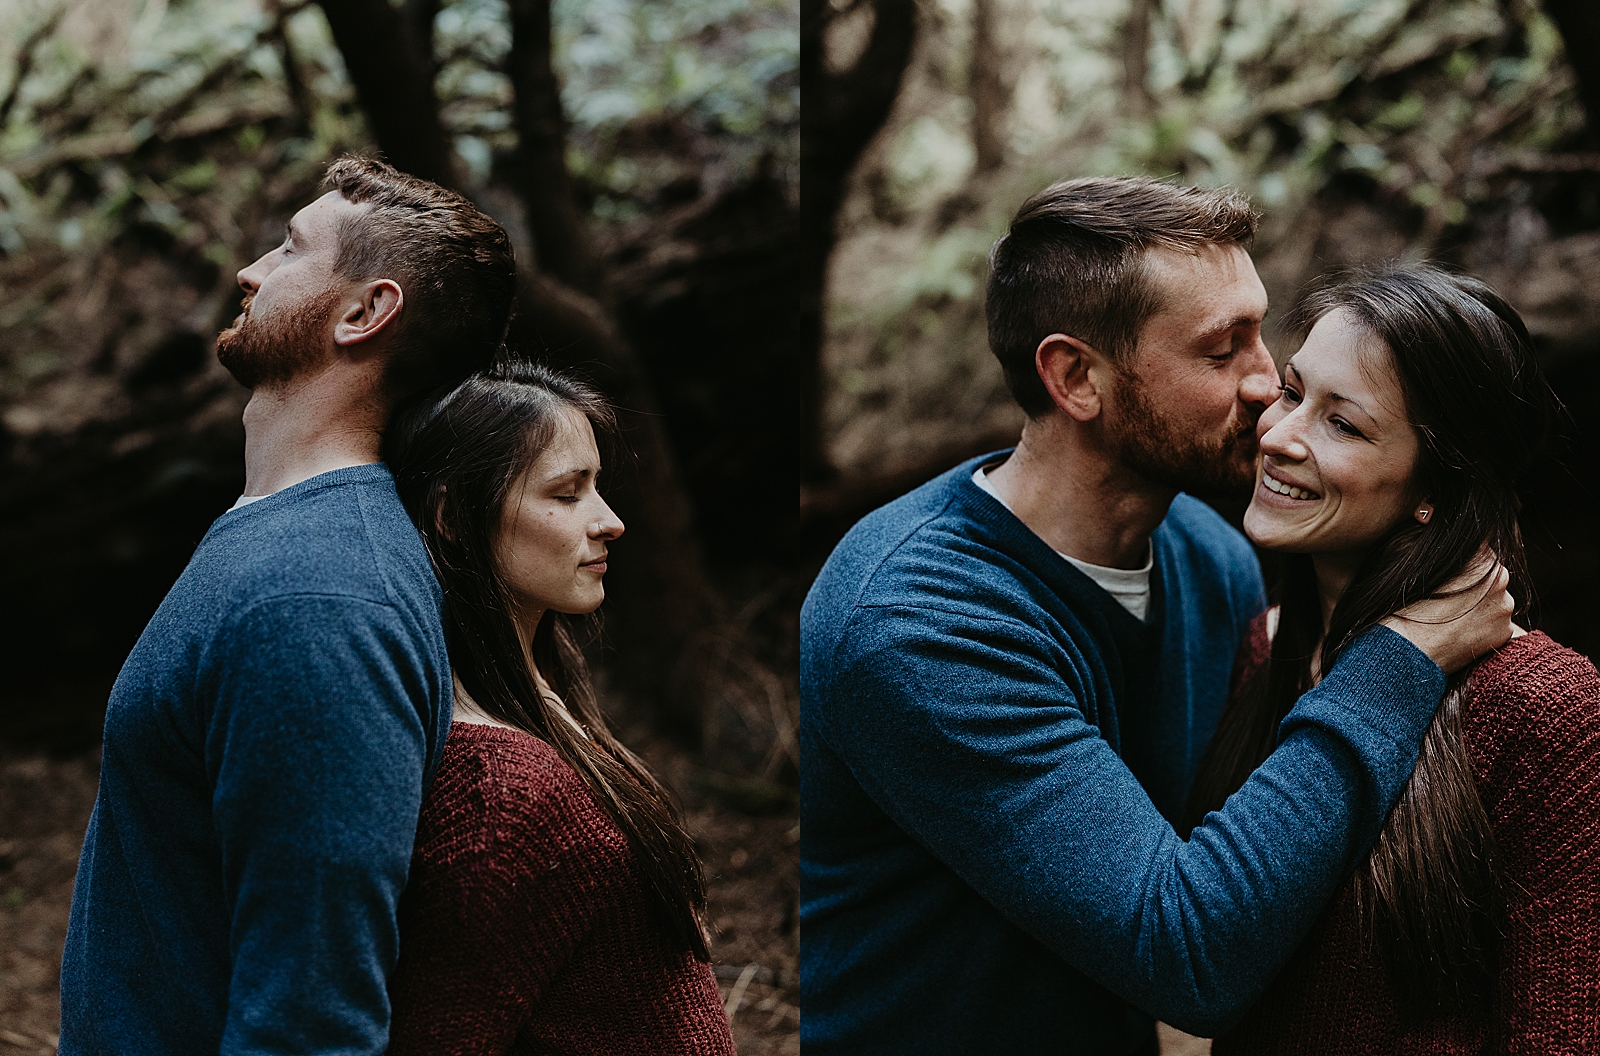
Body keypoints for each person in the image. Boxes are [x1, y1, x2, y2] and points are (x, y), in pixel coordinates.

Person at [799, 177, 1516, 1055]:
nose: (1267, 387)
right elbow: (1189, 954)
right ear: (1075, 378)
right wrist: (1398, 658)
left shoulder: (1211, 560)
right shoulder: (917, 621)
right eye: (1222, 352)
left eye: (1262, 333)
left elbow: (1250, 851)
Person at [59, 156, 517, 1053]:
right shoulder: (284, 544)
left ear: (363, 313)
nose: (251, 271)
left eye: (290, 248)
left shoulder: (319, 596)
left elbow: (313, 1014)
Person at [1186, 266, 1600, 1052]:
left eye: (1343, 424)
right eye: (1292, 391)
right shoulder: (1261, 647)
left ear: (1433, 489)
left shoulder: (1545, 709)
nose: (1277, 435)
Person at [381, 361, 736, 1055]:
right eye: (567, 493)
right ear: (454, 515)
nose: (611, 521)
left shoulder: (542, 682)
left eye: (596, 485)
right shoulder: (501, 799)